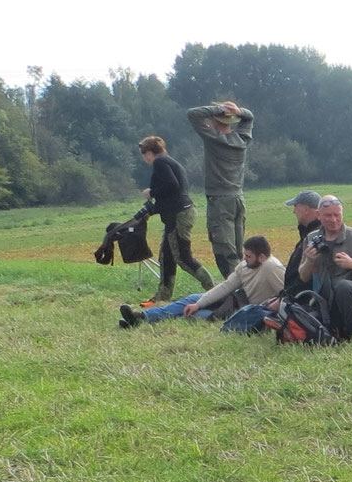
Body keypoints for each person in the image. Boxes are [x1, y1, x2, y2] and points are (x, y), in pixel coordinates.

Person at [119, 235, 281, 327]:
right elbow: (226, 286)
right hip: (231, 299)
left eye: (248, 256)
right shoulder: (245, 265)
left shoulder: (271, 267)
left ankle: (143, 323)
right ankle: (141, 317)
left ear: (261, 257)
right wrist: (200, 302)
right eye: (244, 255)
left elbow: (287, 293)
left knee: (196, 315)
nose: (244, 259)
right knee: (191, 301)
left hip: (242, 310)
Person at [136, 135, 214, 302]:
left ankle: (213, 290)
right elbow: (172, 195)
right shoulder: (169, 161)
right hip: (178, 213)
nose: (144, 158)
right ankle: (162, 297)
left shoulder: (160, 163)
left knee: (183, 258)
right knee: (167, 256)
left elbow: (172, 186)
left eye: (144, 153)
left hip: (179, 215)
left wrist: (152, 193)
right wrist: (153, 210)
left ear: (149, 152)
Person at [296, 195, 352, 339]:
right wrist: (309, 261)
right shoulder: (312, 239)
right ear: (318, 215)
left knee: (344, 287)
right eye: (328, 215)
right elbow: (303, 276)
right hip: (326, 298)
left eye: (337, 215)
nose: (333, 220)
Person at [186, 100, 254, 278]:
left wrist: (219, 109)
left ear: (216, 121)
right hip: (238, 199)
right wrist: (239, 111)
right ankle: (246, 287)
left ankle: (235, 292)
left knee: (225, 251)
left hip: (219, 202)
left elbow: (193, 114)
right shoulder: (242, 140)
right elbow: (249, 118)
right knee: (239, 251)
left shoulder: (215, 139)